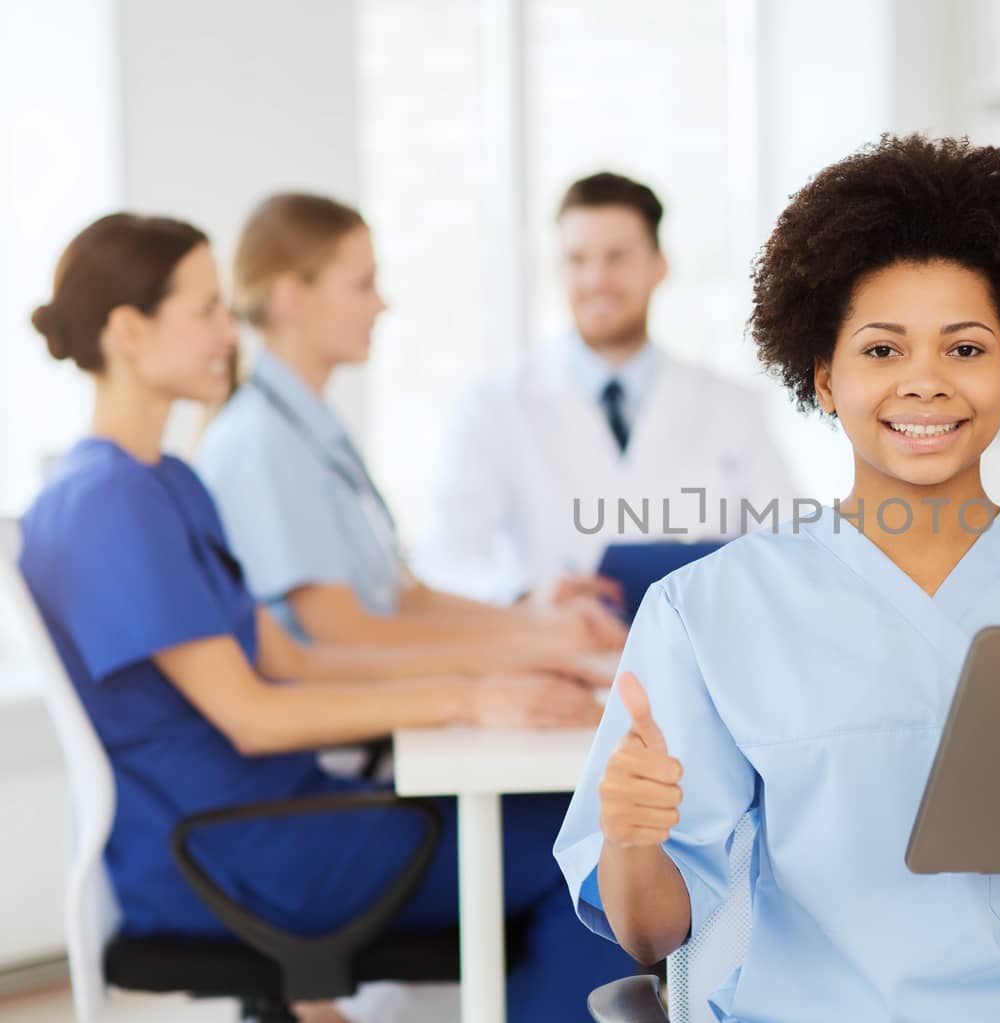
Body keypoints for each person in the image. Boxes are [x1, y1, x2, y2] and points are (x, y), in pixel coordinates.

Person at [553, 136, 1000, 1021]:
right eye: (881, 351)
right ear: (823, 375)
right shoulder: (708, 612)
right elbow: (651, 934)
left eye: (965, 349)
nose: (924, 382)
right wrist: (632, 839)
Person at [18, 213, 634, 1021]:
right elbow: (250, 715)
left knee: (586, 825)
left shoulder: (166, 481)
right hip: (233, 853)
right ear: (130, 331)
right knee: (600, 845)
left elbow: (295, 661)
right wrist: (469, 699)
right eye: (204, 310)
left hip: (277, 822)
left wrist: (490, 671)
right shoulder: (106, 504)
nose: (227, 330)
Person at [194, 193, 623, 675]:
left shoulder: (311, 432)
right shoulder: (262, 442)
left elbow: (402, 600)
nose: (382, 303)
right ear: (292, 296)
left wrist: (537, 621)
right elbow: (343, 631)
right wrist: (532, 646)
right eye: (363, 285)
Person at [418, 172, 797, 604]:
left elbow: (786, 544)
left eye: (616, 257)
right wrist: (525, 595)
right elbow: (446, 559)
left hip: (702, 652)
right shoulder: (493, 407)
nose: (596, 279)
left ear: (659, 266)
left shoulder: (731, 406)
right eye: (577, 260)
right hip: (555, 656)